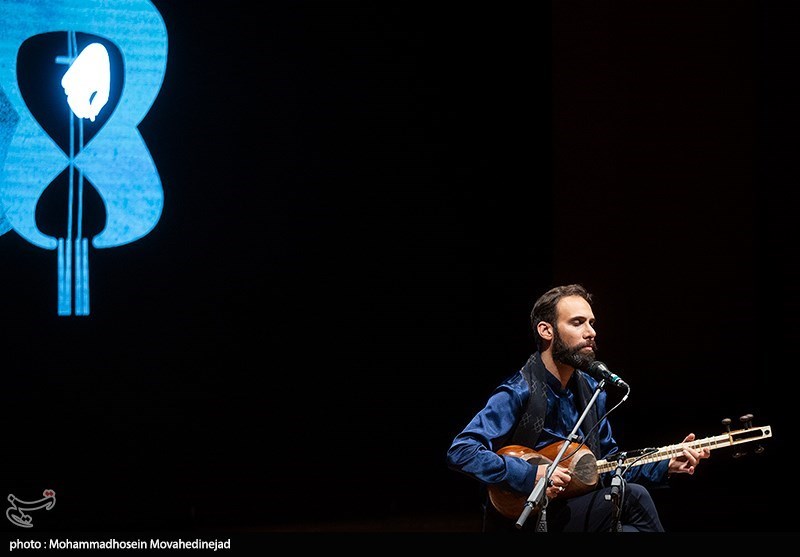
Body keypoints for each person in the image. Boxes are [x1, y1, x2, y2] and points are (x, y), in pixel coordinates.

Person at [446, 283, 710, 532]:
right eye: (577, 322)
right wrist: (530, 474)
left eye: (591, 323)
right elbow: (462, 451)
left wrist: (664, 465)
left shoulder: (591, 392)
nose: (591, 332)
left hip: (571, 510)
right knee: (634, 496)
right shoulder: (519, 391)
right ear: (546, 331)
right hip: (524, 516)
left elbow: (606, 467)